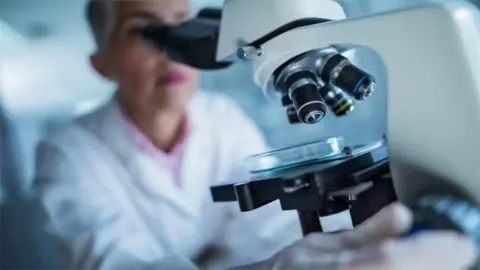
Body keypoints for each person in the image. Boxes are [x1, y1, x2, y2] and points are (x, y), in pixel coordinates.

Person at [33, 0, 477, 269]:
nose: (170, 51)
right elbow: (117, 264)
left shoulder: (221, 116)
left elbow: (267, 230)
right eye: (145, 31)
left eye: (179, 23)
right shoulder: (66, 153)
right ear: (102, 64)